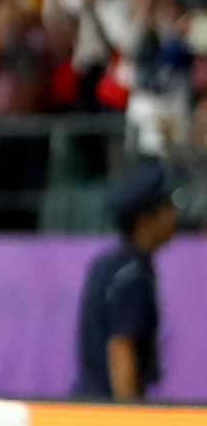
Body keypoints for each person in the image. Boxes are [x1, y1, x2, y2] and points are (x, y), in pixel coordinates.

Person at [73, 166, 177, 400]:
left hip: (88, 404)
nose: (174, 215)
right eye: (168, 206)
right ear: (145, 220)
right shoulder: (133, 275)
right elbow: (121, 348)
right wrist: (128, 416)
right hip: (109, 410)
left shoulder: (108, 264)